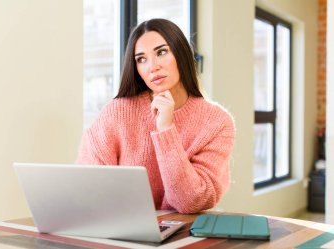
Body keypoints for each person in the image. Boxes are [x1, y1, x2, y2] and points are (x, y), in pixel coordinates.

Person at [76, 18, 235, 214]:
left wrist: (166, 130)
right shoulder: (117, 112)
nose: (152, 67)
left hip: (185, 232)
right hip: (123, 228)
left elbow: (191, 202)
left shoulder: (218, 123)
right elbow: (87, 186)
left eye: (161, 52)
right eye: (141, 59)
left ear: (181, 53)